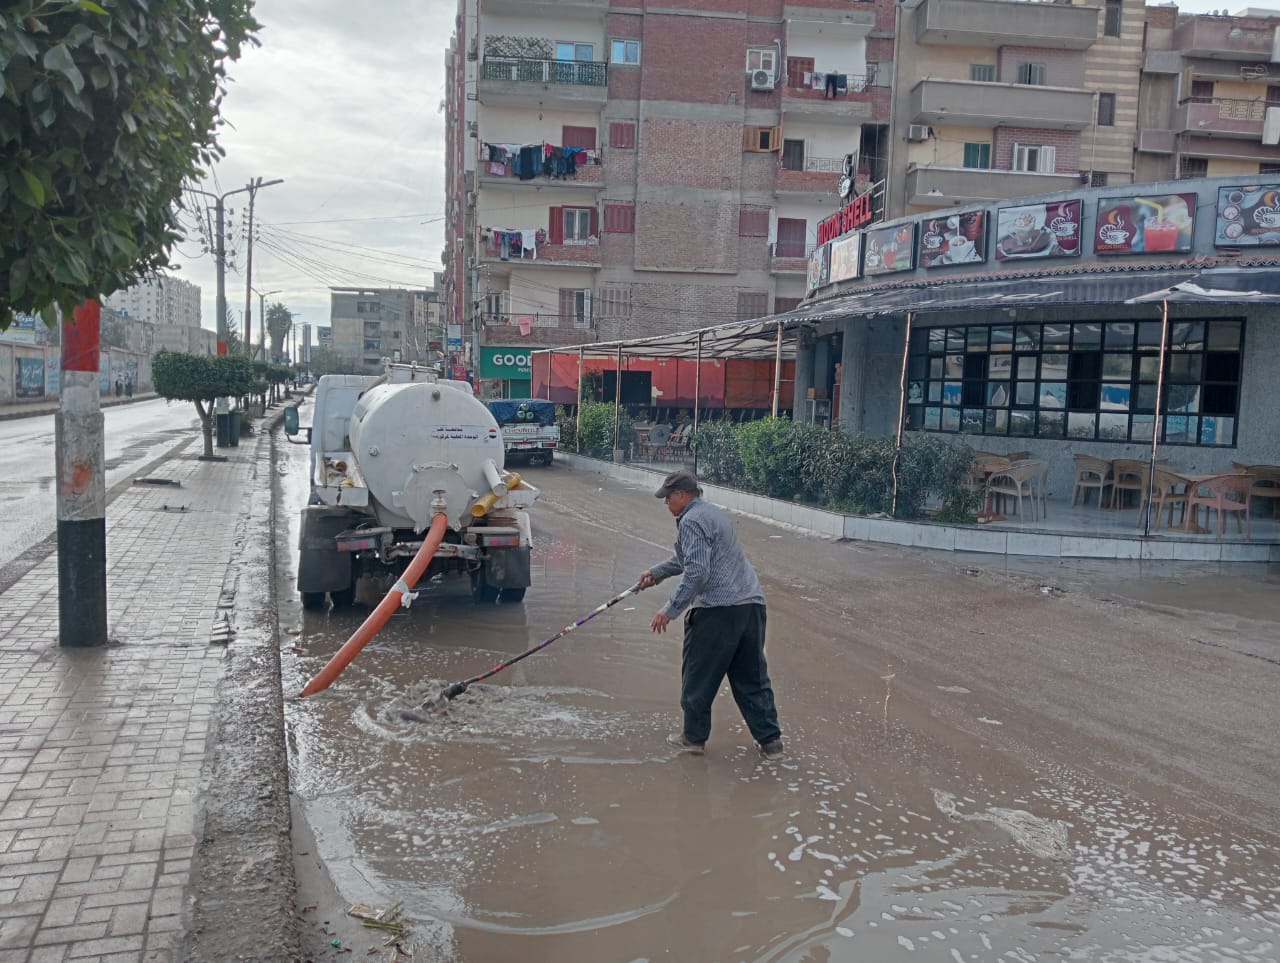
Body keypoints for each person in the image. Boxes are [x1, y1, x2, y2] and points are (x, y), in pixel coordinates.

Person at [638, 469, 784, 759]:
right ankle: (771, 743)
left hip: (718, 611)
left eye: (668, 498)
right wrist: (657, 573)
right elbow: (687, 559)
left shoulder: (691, 521)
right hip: (751, 607)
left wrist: (670, 610)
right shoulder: (710, 514)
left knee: (698, 676)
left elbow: (698, 573)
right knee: (752, 678)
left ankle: (692, 739)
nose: (666, 503)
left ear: (682, 495)